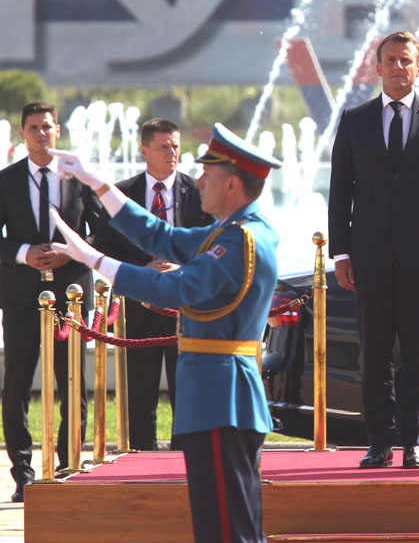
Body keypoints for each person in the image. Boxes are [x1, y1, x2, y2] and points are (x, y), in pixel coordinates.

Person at [49, 123, 280, 543]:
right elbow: (161, 236)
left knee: (224, 526)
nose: (199, 182)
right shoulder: (234, 231)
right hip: (220, 395)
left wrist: (96, 260)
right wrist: (99, 183)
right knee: (228, 522)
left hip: (220, 397)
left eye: (208, 175)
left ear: (232, 184)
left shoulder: (238, 242)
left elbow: (172, 288)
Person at [328, 31, 419, 469]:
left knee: (418, 355)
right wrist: (341, 253)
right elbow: (339, 191)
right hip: (368, 256)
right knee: (374, 354)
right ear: (378, 67)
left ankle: (414, 441)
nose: (398, 67)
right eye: (390, 60)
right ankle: (379, 442)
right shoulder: (355, 120)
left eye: (406, 60)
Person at [93, 118, 213, 451]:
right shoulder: (121, 194)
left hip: (184, 307)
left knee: (186, 392)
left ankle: (183, 462)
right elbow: (102, 245)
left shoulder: (198, 192)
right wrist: (141, 269)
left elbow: (213, 244)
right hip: (137, 308)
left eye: (175, 146)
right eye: (163, 147)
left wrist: (183, 268)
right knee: (139, 394)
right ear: (145, 150)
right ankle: (139, 459)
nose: (171, 152)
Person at [0, 102, 97, 502]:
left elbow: (102, 235)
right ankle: (23, 474)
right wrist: (24, 253)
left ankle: (67, 467)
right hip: (21, 295)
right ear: (22, 133)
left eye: (47, 126)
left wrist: (70, 251)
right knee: (16, 385)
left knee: (71, 384)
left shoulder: (79, 178)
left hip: (70, 296)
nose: (41, 133)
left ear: (58, 131)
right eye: (33, 127)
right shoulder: (6, 179)